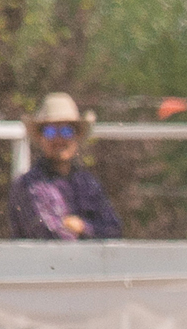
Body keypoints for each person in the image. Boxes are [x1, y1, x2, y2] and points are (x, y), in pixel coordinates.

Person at [7, 92, 122, 240]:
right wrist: (91, 231)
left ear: (76, 136)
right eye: (50, 132)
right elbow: (50, 235)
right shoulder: (28, 185)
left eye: (66, 131)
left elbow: (114, 229)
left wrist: (81, 227)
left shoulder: (88, 182)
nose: (59, 139)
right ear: (40, 138)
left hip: (90, 262)